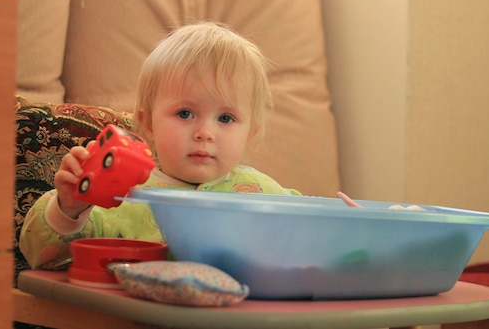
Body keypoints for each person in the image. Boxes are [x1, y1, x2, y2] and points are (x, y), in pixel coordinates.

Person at [19, 21, 303, 269]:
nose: (205, 133)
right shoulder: (120, 193)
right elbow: (45, 258)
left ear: (250, 132)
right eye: (185, 114)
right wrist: (70, 209)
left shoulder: (266, 194)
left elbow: (314, 233)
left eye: (226, 118)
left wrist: (347, 216)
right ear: (149, 123)